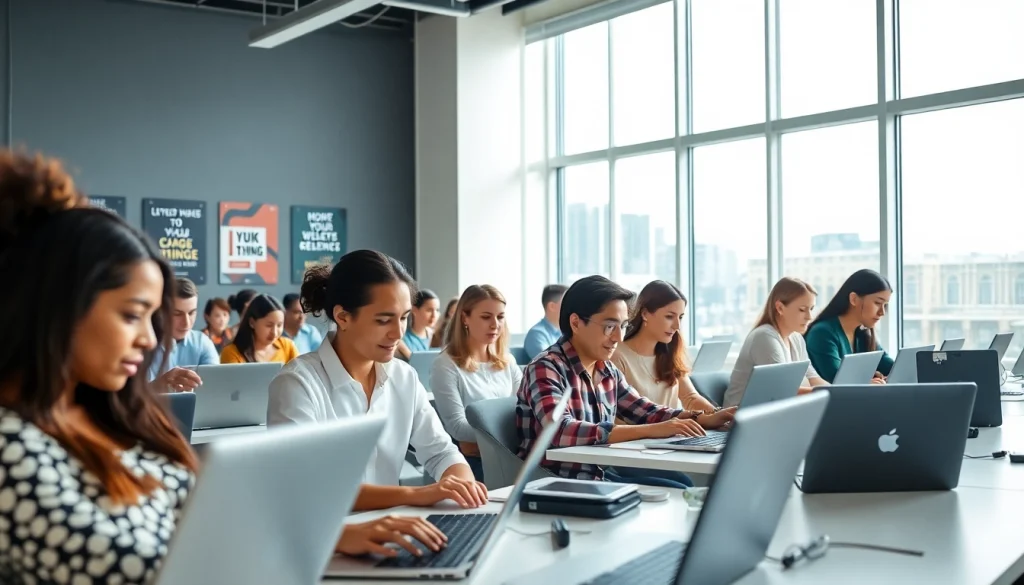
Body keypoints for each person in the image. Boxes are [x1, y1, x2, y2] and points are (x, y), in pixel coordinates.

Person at [0, 153, 442, 583]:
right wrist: (328, 537)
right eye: (132, 315)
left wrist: (335, 537)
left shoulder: (110, 419)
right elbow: (146, 567)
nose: (150, 339)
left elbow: (208, 527)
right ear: (56, 309)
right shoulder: (14, 450)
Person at [267, 250, 488, 511]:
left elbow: (442, 453)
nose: (398, 333)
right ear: (343, 317)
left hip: (394, 525)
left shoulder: (403, 378)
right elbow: (308, 486)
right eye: (384, 320)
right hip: (331, 532)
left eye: (404, 317)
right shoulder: (297, 385)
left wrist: (462, 487)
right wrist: (414, 494)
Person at [516, 276, 735, 488]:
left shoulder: (607, 370)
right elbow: (560, 430)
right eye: (610, 326)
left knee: (682, 485)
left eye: (623, 326)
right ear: (576, 323)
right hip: (555, 483)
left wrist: (704, 419)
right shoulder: (546, 367)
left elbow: (646, 411)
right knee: (679, 491)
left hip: (598, 474)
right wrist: (652, 430)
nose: (619, 338)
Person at [430, 285, 523, 481]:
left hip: (511, 456)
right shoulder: (445, 365)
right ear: (465, 318)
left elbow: (526, 412)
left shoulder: (508, 361)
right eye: (486, 317)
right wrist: (510, 434)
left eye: (500, 317)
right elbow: (457, 428)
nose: (495, 324)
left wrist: (483, 441)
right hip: (473, 464)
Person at [610, 281, 716, 411]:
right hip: (647, 425)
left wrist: (720, 415)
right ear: (645, 314)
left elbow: (690, 398)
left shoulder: (670, 352)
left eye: (680, 317)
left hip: (674, 425)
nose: (677, 326)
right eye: (669, 317)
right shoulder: (617, 357)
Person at [724, 277, 828, 407]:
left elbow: (813, 378)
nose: (809, 317)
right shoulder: (764, 337)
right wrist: (829, 395)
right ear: (780, 308)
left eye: (811, 309)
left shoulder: (796, 338)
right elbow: (783, 391)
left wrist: (839, 393)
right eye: (802, 309)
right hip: (742, 414)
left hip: (774, 410)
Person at [805, 269, 894, 383]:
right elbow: (839, 381)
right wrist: (867, 382)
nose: (882, 312)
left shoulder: (863, 334)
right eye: (877, 303)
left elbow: (893, 368)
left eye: (885, 305)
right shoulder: (822, 333)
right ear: (854, 299)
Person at [148, 277, 219, 392]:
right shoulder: (144, 344)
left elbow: (215, 387)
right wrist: (160, 385)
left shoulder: (203, 343)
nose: (186, 323)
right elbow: (132, 397)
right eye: (177, 314)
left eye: (191, 313)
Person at [220, 294, 299, 364]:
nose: (274, 332)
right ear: (252, 322)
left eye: (279, 325)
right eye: (269, 325)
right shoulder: (232, 352)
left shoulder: (287, 347)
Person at [523, 284, 567, 358]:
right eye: (566, 302)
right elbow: (547, 361)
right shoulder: (537, 334)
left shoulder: (566, 332)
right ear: (552, 306)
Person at [397, 289, 440, 359]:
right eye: (429, 310)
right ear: (414, 310)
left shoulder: (436, 336)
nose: (434, 315)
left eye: (437, 310)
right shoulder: (402, 339)